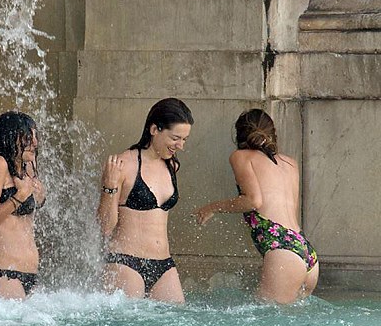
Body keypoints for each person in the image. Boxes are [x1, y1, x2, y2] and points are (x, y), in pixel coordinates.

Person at [193, 109, 319, 304]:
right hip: (305, 250)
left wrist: (212, 207)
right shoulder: (290, 163)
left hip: (283, 251)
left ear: (239, 134)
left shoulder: (241, 157)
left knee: (266, 318)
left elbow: (253, 201)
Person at [97, 98, 193, 303]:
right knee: (129, 322)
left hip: (164, 264)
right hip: (126, 262)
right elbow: (105, 227)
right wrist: (109, 187)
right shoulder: (123, 164)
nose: (181, 146)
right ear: (154, 130)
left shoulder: (172, 166)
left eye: (184, 139)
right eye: (175, 138)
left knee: (177, 319)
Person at [0, 111, 46, 299]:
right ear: (10, 138)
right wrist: (19, 197)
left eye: (35, 136)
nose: (35, 143)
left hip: (30, 274)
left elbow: (24, 217)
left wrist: (40, 197)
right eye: (28, 137)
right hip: (4, 274)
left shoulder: (27, 166)